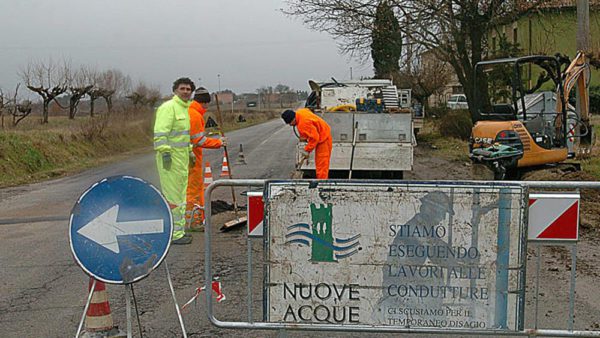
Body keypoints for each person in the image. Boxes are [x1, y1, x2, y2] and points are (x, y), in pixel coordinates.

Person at [154, 77, 195, 245]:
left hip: (181, 160)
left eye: (188, 89)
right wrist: (164, 153)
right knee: (173, 197)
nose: (185, 91)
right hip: (170, 160)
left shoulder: (184, 109)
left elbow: (183, 137)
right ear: (175, 90)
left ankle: (180, 230)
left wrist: (190, 153)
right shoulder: (168, 108)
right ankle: (174, 234)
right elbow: (160, 133)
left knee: (180, 195)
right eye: (182, 88)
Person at [186, 87, 226, 230]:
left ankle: (192, 218)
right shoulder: (195, 115)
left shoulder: (189, 111)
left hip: (187, 157)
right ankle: (193, 220)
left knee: (190, 189)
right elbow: (199, 141)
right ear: (205, 103)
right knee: (193, 190)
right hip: (191, 158)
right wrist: (219, 142)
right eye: (207, 103)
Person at [281, 108, 332, 179]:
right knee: (321, 165)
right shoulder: (300, 112)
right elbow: (308, 111)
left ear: (293, 119)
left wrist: (307, 150)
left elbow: (315, 138)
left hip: (324, 138)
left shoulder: (303, 123)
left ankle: (322, 184)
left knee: (321, 165)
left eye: (290, 123)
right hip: (323, 132)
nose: (290, 125)